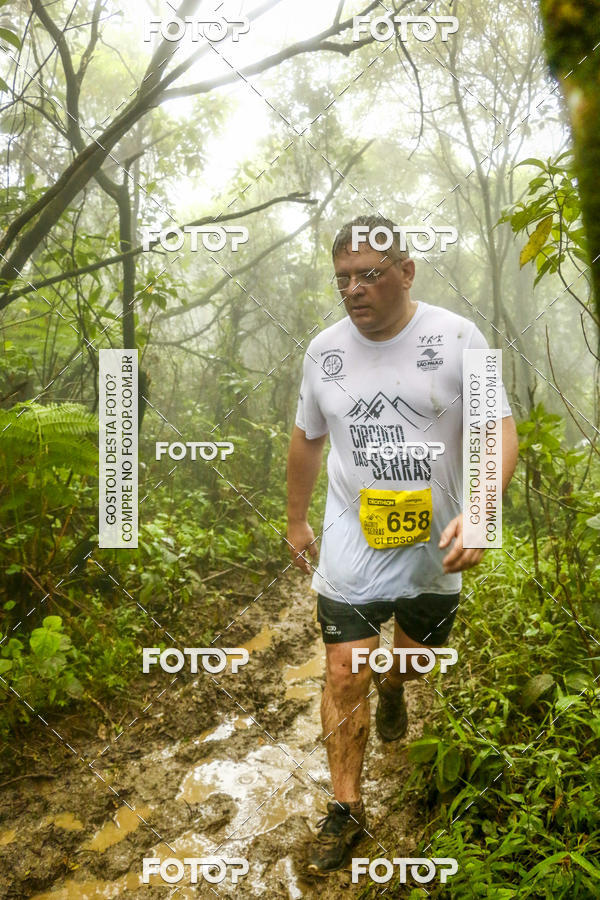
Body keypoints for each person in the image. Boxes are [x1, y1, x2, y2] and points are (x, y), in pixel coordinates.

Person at [286, 215, 518, 874]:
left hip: (431, 546)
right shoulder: (323, 351)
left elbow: (499, 430)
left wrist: (481, 512)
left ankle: (395, 686)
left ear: (407, 272)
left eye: (369, 275)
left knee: (412, 663)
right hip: (351, 541)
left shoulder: (460, 337)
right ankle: (346, 807)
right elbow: (306, 438)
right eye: (343, 278)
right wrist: (296, 520)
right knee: (343, 673)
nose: (353, 290)